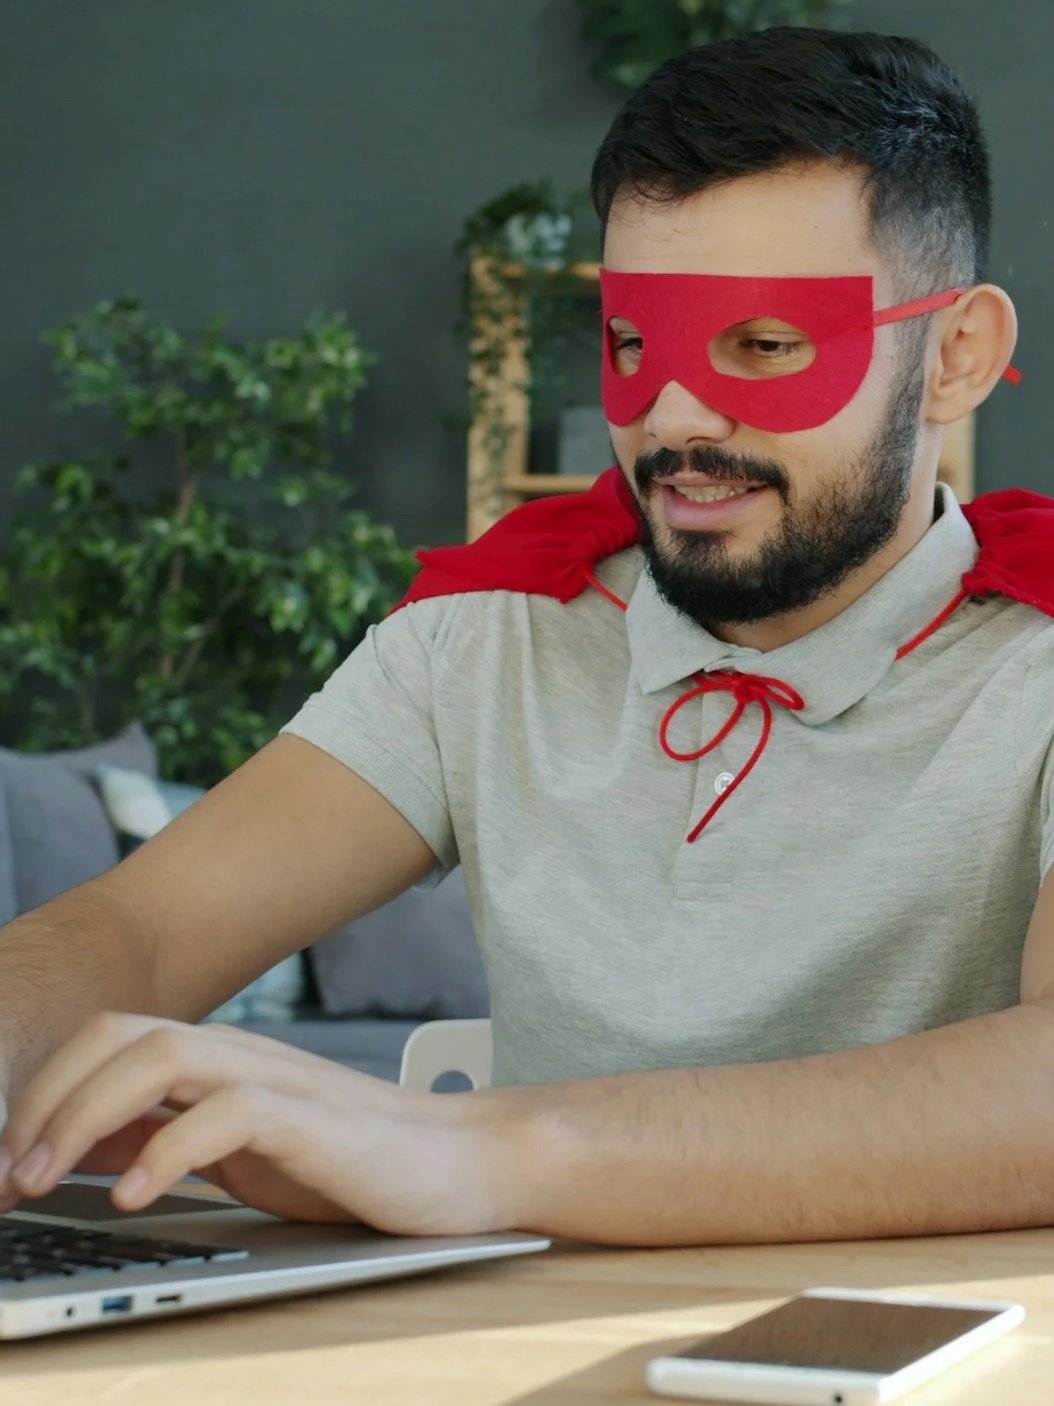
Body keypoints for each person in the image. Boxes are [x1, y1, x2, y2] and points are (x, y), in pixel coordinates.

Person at [0, 26, 1050, 1249]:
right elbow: (138, 929)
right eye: (629, 346)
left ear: (956, 355)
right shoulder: (482, 639)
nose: (674, 417)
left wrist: (477, 1148)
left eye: (765, 346)